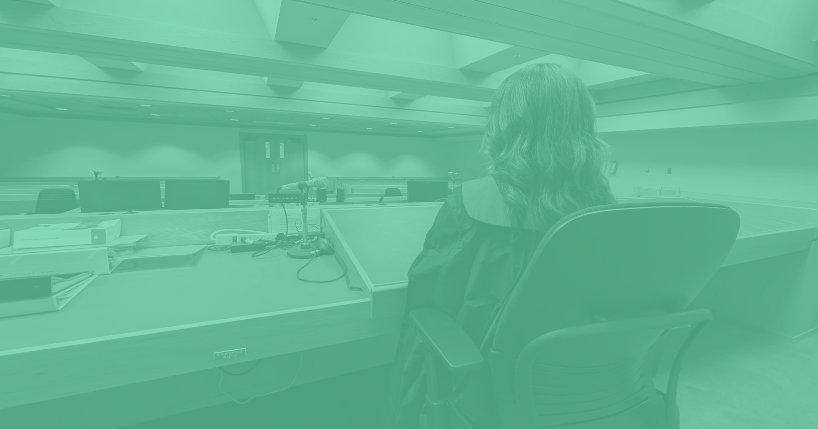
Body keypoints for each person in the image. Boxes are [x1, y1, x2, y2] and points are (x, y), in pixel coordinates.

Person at [384, 63, 618, 429]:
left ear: (505, 124)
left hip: (490, 394)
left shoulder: (471, 202)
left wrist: (405, 404)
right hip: (594, 385)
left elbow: (429, 302)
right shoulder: (606, 209)